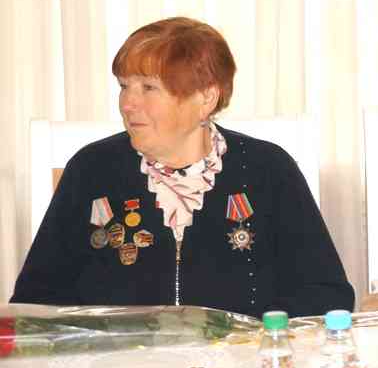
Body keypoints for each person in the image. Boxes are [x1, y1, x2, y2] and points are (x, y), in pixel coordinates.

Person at [12, 17, 354, 318]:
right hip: (117, 366)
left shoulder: (268, 170)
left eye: (149, 88)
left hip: (240, 364)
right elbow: (36, 300)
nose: (128, 103)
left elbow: (325, 294)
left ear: (206, 98)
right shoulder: (90, 170)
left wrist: (247, 342)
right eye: (124, 86)